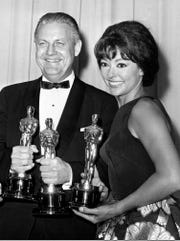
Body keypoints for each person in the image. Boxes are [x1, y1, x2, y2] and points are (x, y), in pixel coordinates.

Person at [0, 12, 118, 239]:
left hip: (71, 228)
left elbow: (110, 168)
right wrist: (11, 166)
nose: (50, 52)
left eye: (59, 43)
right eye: (43, 43)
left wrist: (70, 173)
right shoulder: (9, 96)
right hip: (10, 227)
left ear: (76, 47)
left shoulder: (103, 103)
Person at [73, 20, 180, 240]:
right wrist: (106, 195)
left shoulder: (143, 109)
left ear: (141, 68)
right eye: (104, 63)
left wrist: (116, 208)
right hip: (129, 224)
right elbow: (135, 179)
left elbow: (173, 177)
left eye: (121, 64)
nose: (110, 73)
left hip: (152, 226)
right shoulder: (123, 112)